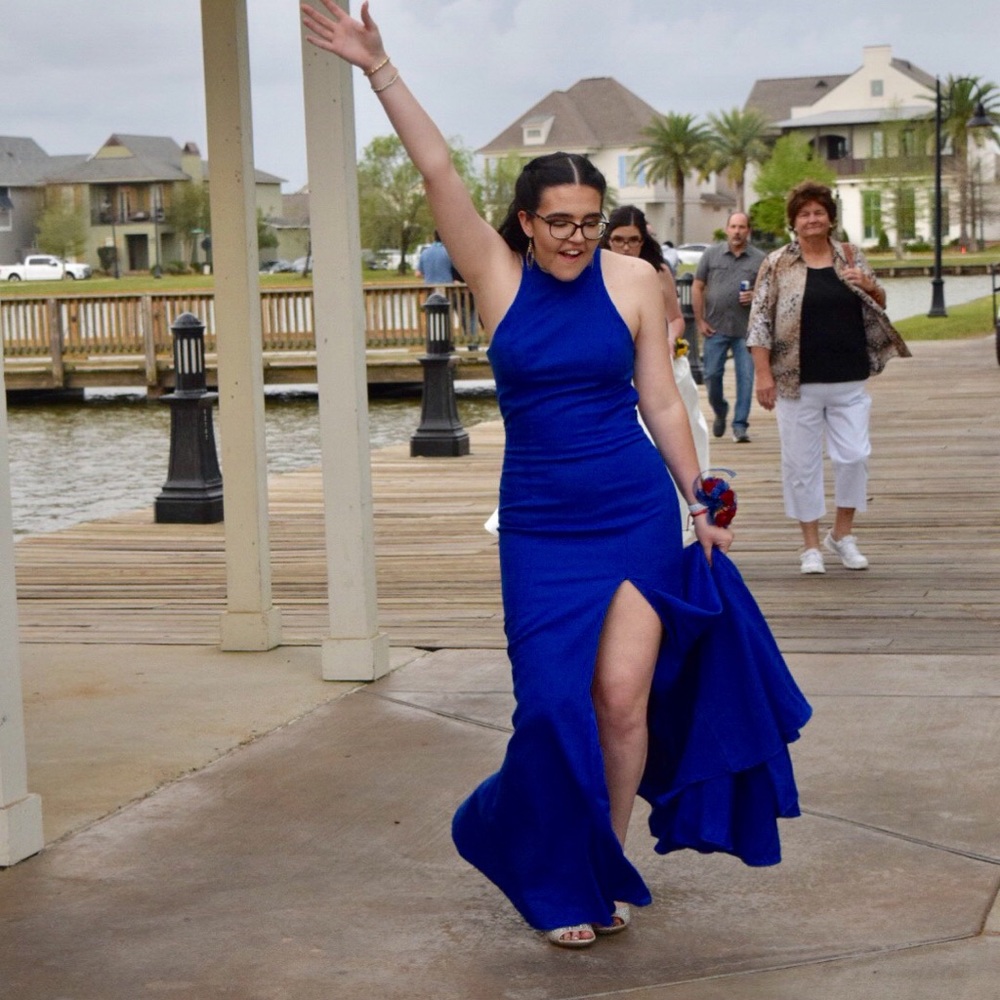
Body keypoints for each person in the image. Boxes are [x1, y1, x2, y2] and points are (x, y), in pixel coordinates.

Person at [302, 0, 810, 950]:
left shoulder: (636, 282)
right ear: (527, 224)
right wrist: (378, 68)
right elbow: (438, 168)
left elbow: (661, 400)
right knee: (547, 707)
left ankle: (595, 868)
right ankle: (508, 832)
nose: (577, 238)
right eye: (559, 224)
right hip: (540, 527)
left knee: (622, 702)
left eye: (589, 222)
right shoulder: (497, 279)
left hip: (631, 514)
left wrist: (702, 498)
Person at [746, 181, 910, 575]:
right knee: (801, 466)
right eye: (804, 214)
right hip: (794, 383)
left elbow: (879, 301)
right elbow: (759, 322)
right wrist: (762, 375)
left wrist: (868, 283)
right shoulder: (776, 263)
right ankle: (810, 545)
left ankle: (842, 534)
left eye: (819, 212)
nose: (812, 219)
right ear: (794, 221)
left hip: (848, 377)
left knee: (854, 457)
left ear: (830, 218)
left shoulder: (851, 256)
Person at [601, 205, 711, 528]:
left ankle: (682, 513)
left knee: (674, 440)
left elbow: (676, 319)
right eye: (618, 239)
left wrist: (665, 339)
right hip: (618, 372)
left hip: (664, 366)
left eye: (633, 240)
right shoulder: (595, 272)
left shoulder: (657, 271)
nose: (625, 247)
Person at [692, 212, 765, 443]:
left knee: (746, 378)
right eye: (733, 226)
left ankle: (740, 425)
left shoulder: (760, 259)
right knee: (712, 375)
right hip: (715, 328)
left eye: (742, 227)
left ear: (748, 231)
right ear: (726, 229)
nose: (737, 231)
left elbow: (768, 292)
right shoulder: (711, 254)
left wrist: (755, 295)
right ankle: (720, 410)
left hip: (747, 331)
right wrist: (700, 320)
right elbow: (697, 287)